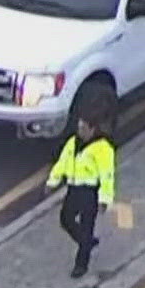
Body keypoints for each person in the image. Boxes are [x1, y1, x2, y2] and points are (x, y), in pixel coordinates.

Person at [44, 108, 117, 278]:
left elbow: (107, 175)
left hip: (90, 192)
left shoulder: (103, 149)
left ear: (92, 129)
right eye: (79, 127)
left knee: (86, 226)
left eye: (83, 128)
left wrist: (104, 199)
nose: (80, 130)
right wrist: (52, 181)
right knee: (66, 219)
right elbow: (63, 162)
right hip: (74, 188)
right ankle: (87, 242)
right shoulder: (73, 142)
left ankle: (81, 264)